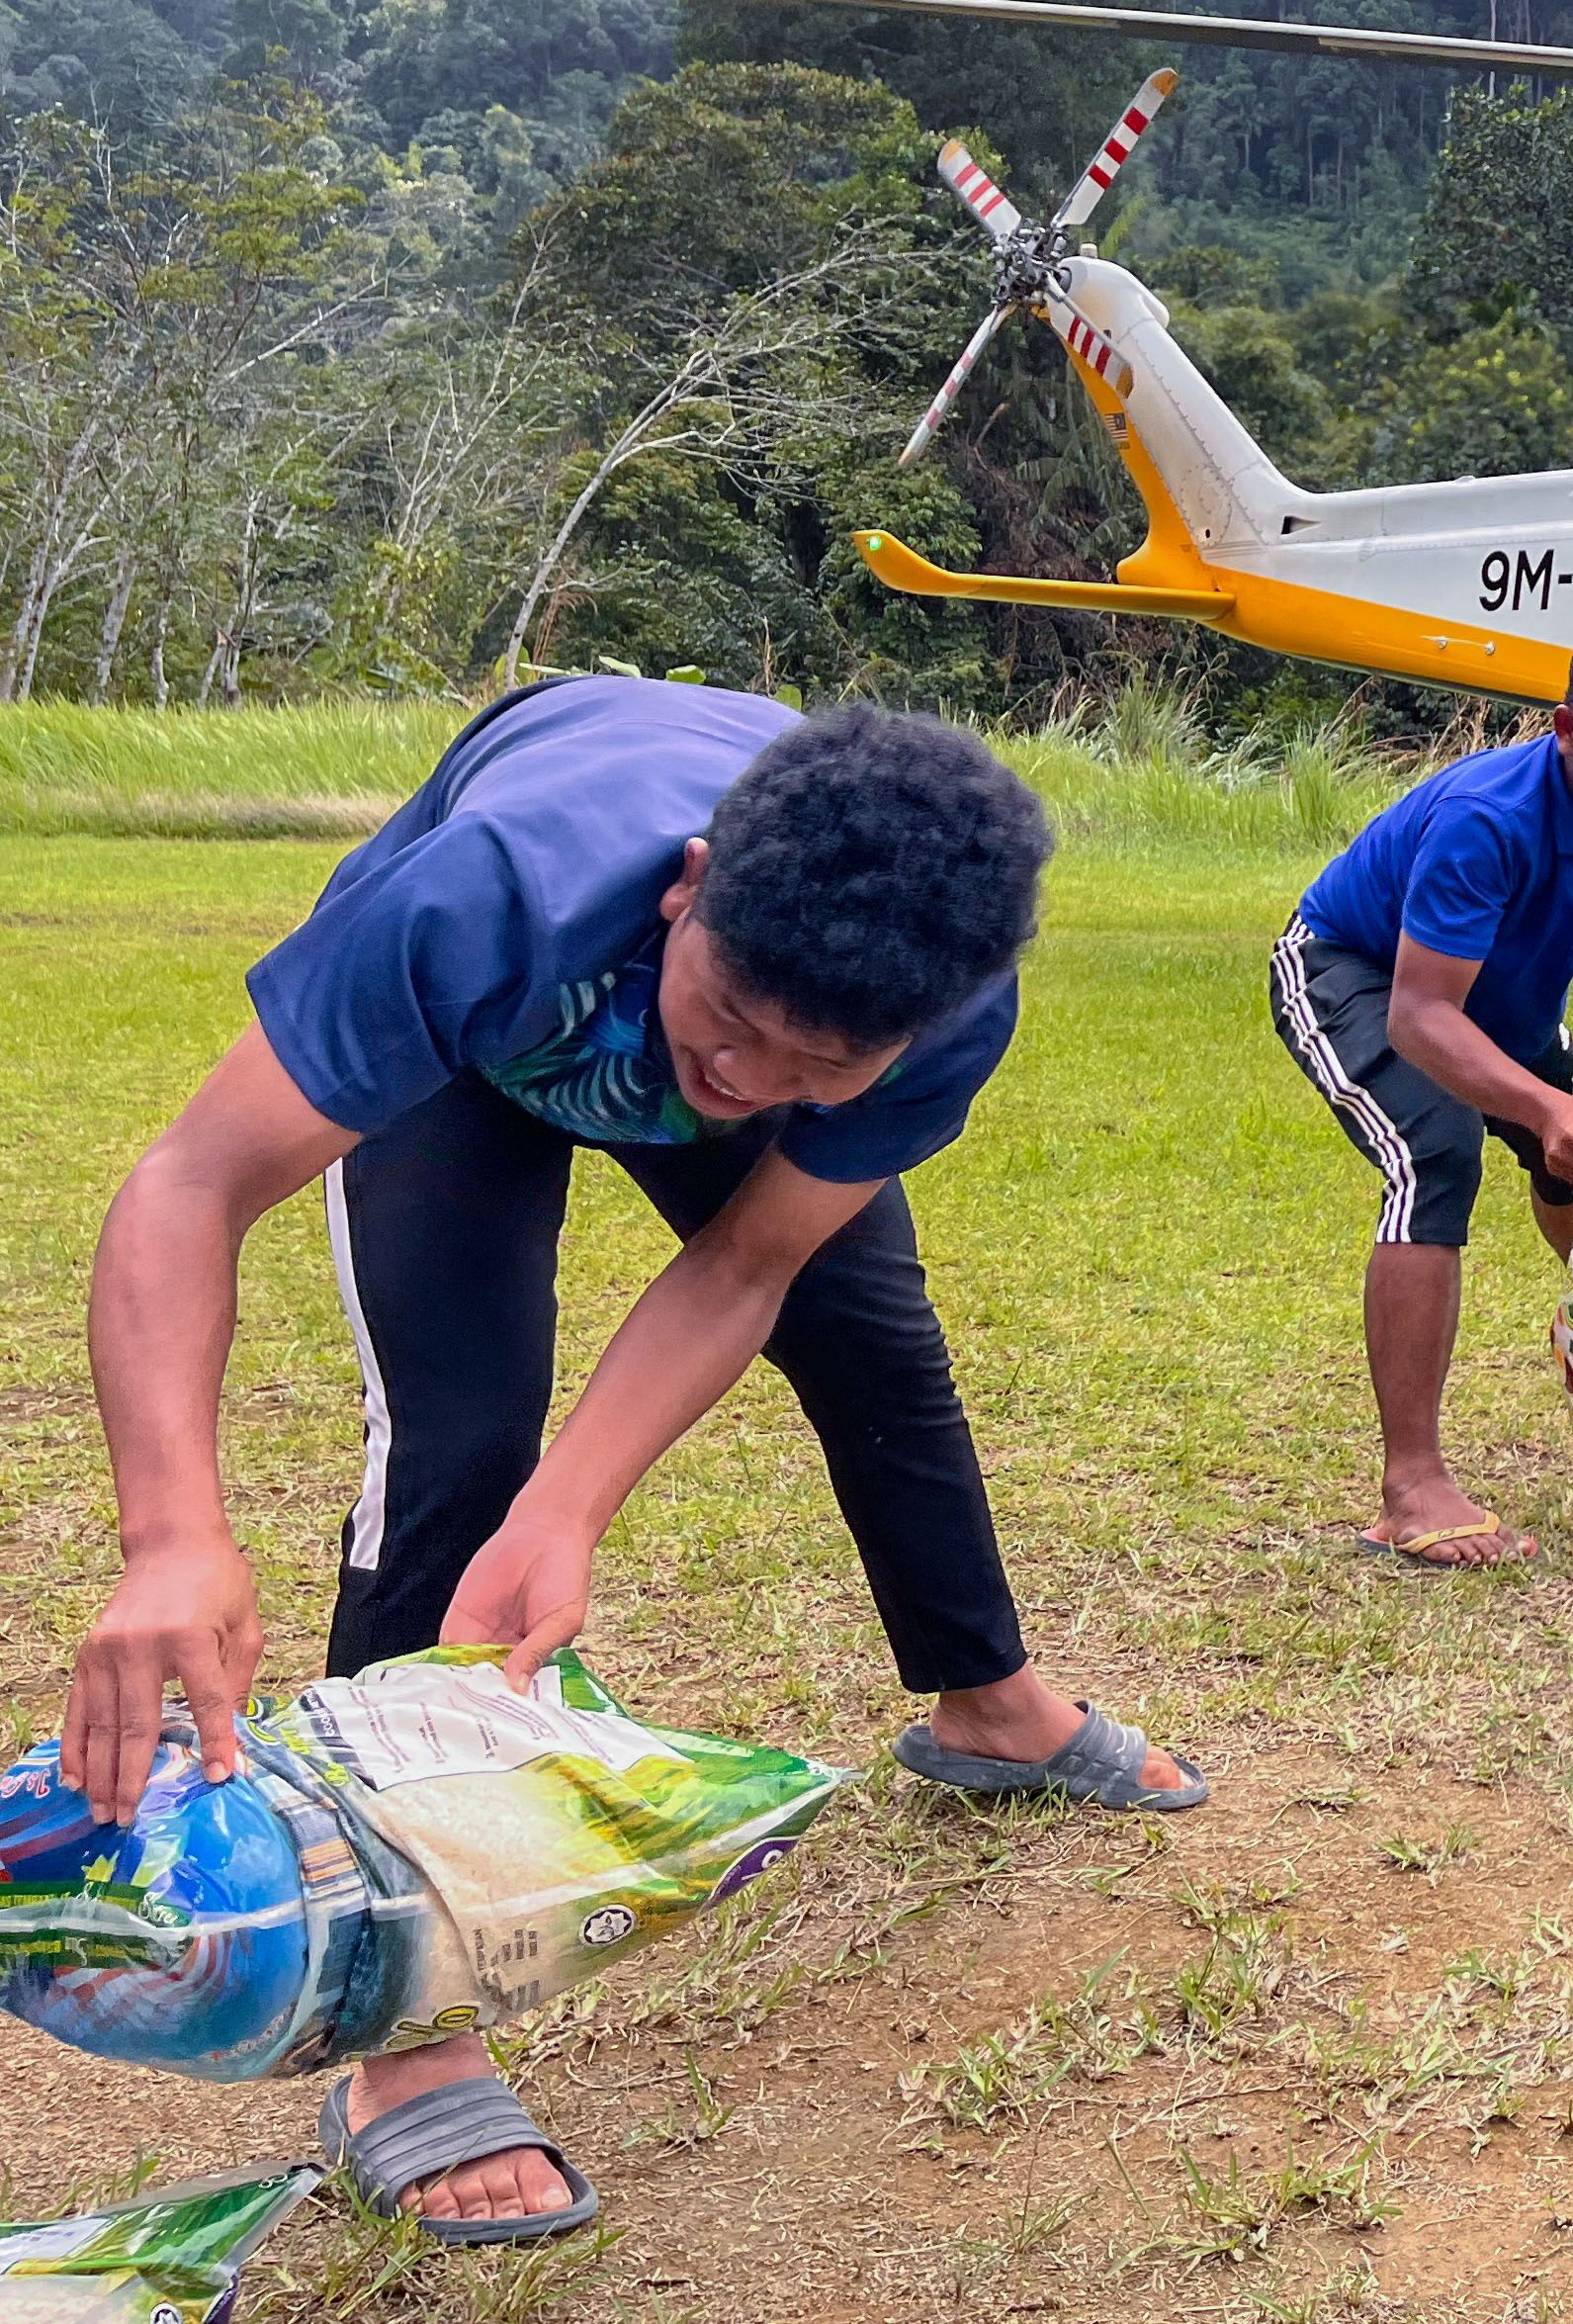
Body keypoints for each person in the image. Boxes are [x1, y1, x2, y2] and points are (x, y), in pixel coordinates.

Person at [60, 679, 1194, 2250]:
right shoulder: (486, 901)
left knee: (875, 1341)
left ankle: (985, 1700)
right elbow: (190, 1184)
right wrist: (174, 1532)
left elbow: (744, 1267)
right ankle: (408, 2032)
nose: (744, 1081)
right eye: (732, 1015)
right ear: (689, 886)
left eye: (821, 1063)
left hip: (738, 987)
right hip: (490, 1047)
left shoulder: (934, 1007)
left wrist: (575, 1507)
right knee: (458, 1431)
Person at [1273, 618, 1573, 1570]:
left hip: (1506, 1000)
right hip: (1357, 972)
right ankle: (1412, 1489)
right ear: (1565, 728)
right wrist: (1546, 1106)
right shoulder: (1489, 817)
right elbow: (1421, 1016)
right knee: (1435, 1153)